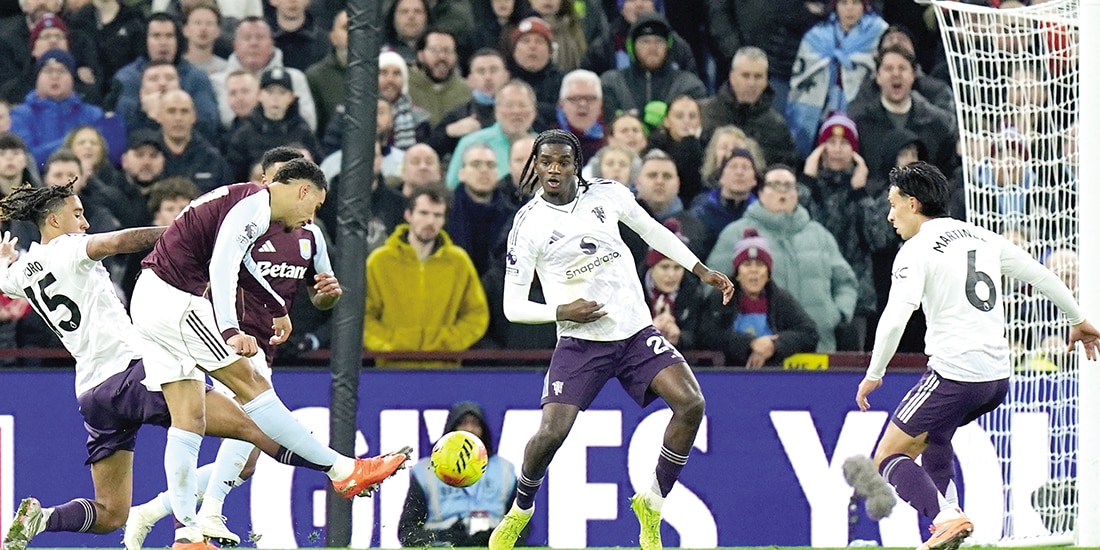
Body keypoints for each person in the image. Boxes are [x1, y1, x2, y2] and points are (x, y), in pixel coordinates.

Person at [0, 183, 352, 550]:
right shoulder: (69, 248)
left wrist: (4, 258)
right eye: (77, 215)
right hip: (134, 371)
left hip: (93, 393)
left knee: (110, 513)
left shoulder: (22, 270)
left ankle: (42, 518)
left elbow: (3, 280)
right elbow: (120, 241)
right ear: (54, 219)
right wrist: (185, 230)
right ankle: (342, 472)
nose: (86, 223)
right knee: (253, 431)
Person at [128, 158, 410, 549]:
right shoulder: (255, 206)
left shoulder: (250, 205)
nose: (311, 217)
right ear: (303, 190)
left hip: (151, 298)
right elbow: (223, 264)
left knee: (187, 419)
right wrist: (229, 329)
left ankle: (187, 535)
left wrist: (277, 306)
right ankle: (343, 469)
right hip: (176, 302)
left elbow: (241, 264)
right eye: (314, 207)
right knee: (253, 389)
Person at [487, 129, 734, 550]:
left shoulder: (607, 194)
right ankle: (521, 509)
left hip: (635, 330)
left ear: (576, 164)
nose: (554, 169)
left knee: (691, 403)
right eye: (545, 161)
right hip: (581, 340)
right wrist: (563, 311)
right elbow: (512, 306)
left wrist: (700, 270)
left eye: (563, 162)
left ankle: (651, 504)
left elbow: (652, 230)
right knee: (551, 434)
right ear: (535, 164)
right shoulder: (528, 225)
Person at [855, 161, 1100, 550]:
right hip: (997, 379)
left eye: (893, 203)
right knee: (936, 439)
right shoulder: (982, 237)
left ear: (914, 204)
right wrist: (1079, 319)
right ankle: (953, 527)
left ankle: (946, 518)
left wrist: (875, 372)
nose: (889, 214)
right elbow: (1040, 274)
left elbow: (895, 315)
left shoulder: (915, 250)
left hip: (954, 374)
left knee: (888, 455)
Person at [364, 186, 490, 366]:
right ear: (408, 215)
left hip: (443, 371)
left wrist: (448, 343)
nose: (430, 221)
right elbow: (362, 316)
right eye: (423, 213)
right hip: (391, 371)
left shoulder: (459, 262)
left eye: (438, 215)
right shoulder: (380, 261)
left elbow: (477, 315)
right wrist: (391, 345)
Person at [398, 401, 520, 547]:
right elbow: (406, 531)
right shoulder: (426, 471)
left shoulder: (504, 469)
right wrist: (441, 536)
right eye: (462, 423)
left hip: (491, 544)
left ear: (484, 430)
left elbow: (521, 525)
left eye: (475, 424)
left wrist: (494, 537)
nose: (469, 429)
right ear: (451, 429)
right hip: (442, 545)